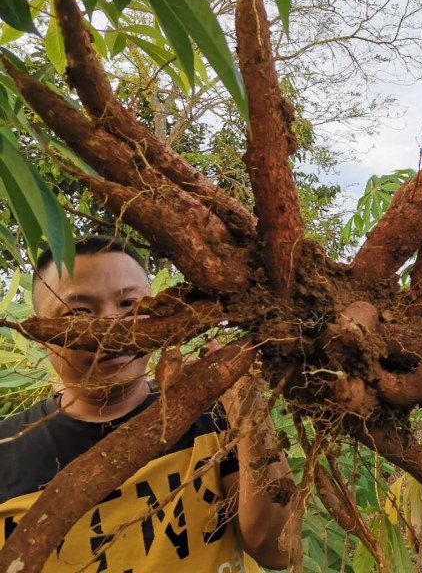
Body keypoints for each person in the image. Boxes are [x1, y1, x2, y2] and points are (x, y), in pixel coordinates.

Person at [0, 236, 292, 572]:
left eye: (129, 305)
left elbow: (277, 550)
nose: (112, 325)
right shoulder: (6, 452)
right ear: (41, 335)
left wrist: (249, 409)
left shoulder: (215, 415)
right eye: (78, 312)